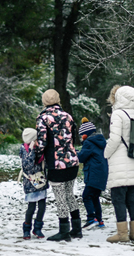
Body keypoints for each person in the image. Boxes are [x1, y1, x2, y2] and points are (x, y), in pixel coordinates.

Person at [34, 89, 82, 241]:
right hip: (72, 161)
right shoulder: (68, 116)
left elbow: (41, 142)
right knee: (69, 194)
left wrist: (36, 156)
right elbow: (73, 138)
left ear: (44, 101)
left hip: (56, 163)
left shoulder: (43, 118)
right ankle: (77, 228)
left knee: (60, 197)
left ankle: (64, 230)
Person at [103, 85, 134, 243]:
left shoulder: (118, 114)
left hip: (120, 164)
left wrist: (106, 154)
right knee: (132, 200)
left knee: (118, 199)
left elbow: (114, 139)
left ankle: (122, 234)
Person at [77, 118, 108, 229]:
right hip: (102, 174)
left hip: (93, 174)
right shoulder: (101, 142)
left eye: (81, 135)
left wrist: (75, 152)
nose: (81, 137)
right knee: (95, 197)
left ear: (86, 135)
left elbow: (81, 158)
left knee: (86, 196)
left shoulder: (89, 143)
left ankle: (91, 218)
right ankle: (99, 220)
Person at [19, 128, 48, 239]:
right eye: (36, 139)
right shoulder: (24, 150)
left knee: (42, 206)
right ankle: (26, 229)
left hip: (41, 180)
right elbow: (28, 166)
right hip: (30, 182)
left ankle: (38, 228)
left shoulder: (40, 149)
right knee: (31, 207)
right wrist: (31, 150)